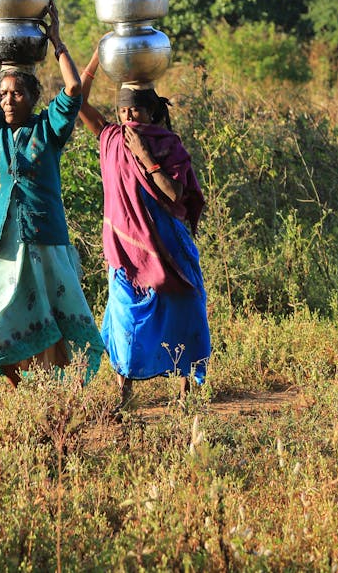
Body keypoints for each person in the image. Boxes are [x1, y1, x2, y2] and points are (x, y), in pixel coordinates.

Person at [0, 0, 104, 387]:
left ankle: (52, 391)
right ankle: (22, 387)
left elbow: (73, 88)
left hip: (44, 238)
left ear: (33, 97)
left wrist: (58, 42)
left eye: (16, 94)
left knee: (57, 313)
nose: (7, 100)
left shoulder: (48, 129)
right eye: (2, 94)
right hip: (0, 242)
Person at [79, 45, 210, 409]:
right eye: (121, 110)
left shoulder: (168, 146)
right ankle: (124, 393)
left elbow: (175, 192)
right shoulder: (111, 139)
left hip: (168, 245)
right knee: (125, 316)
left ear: (152, 111)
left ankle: (187, 391)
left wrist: (146, 157)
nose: (127, 116)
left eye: (134, 108)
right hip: (127, 252)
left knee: (184, 307)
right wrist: (98, 54)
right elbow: (77, 101)